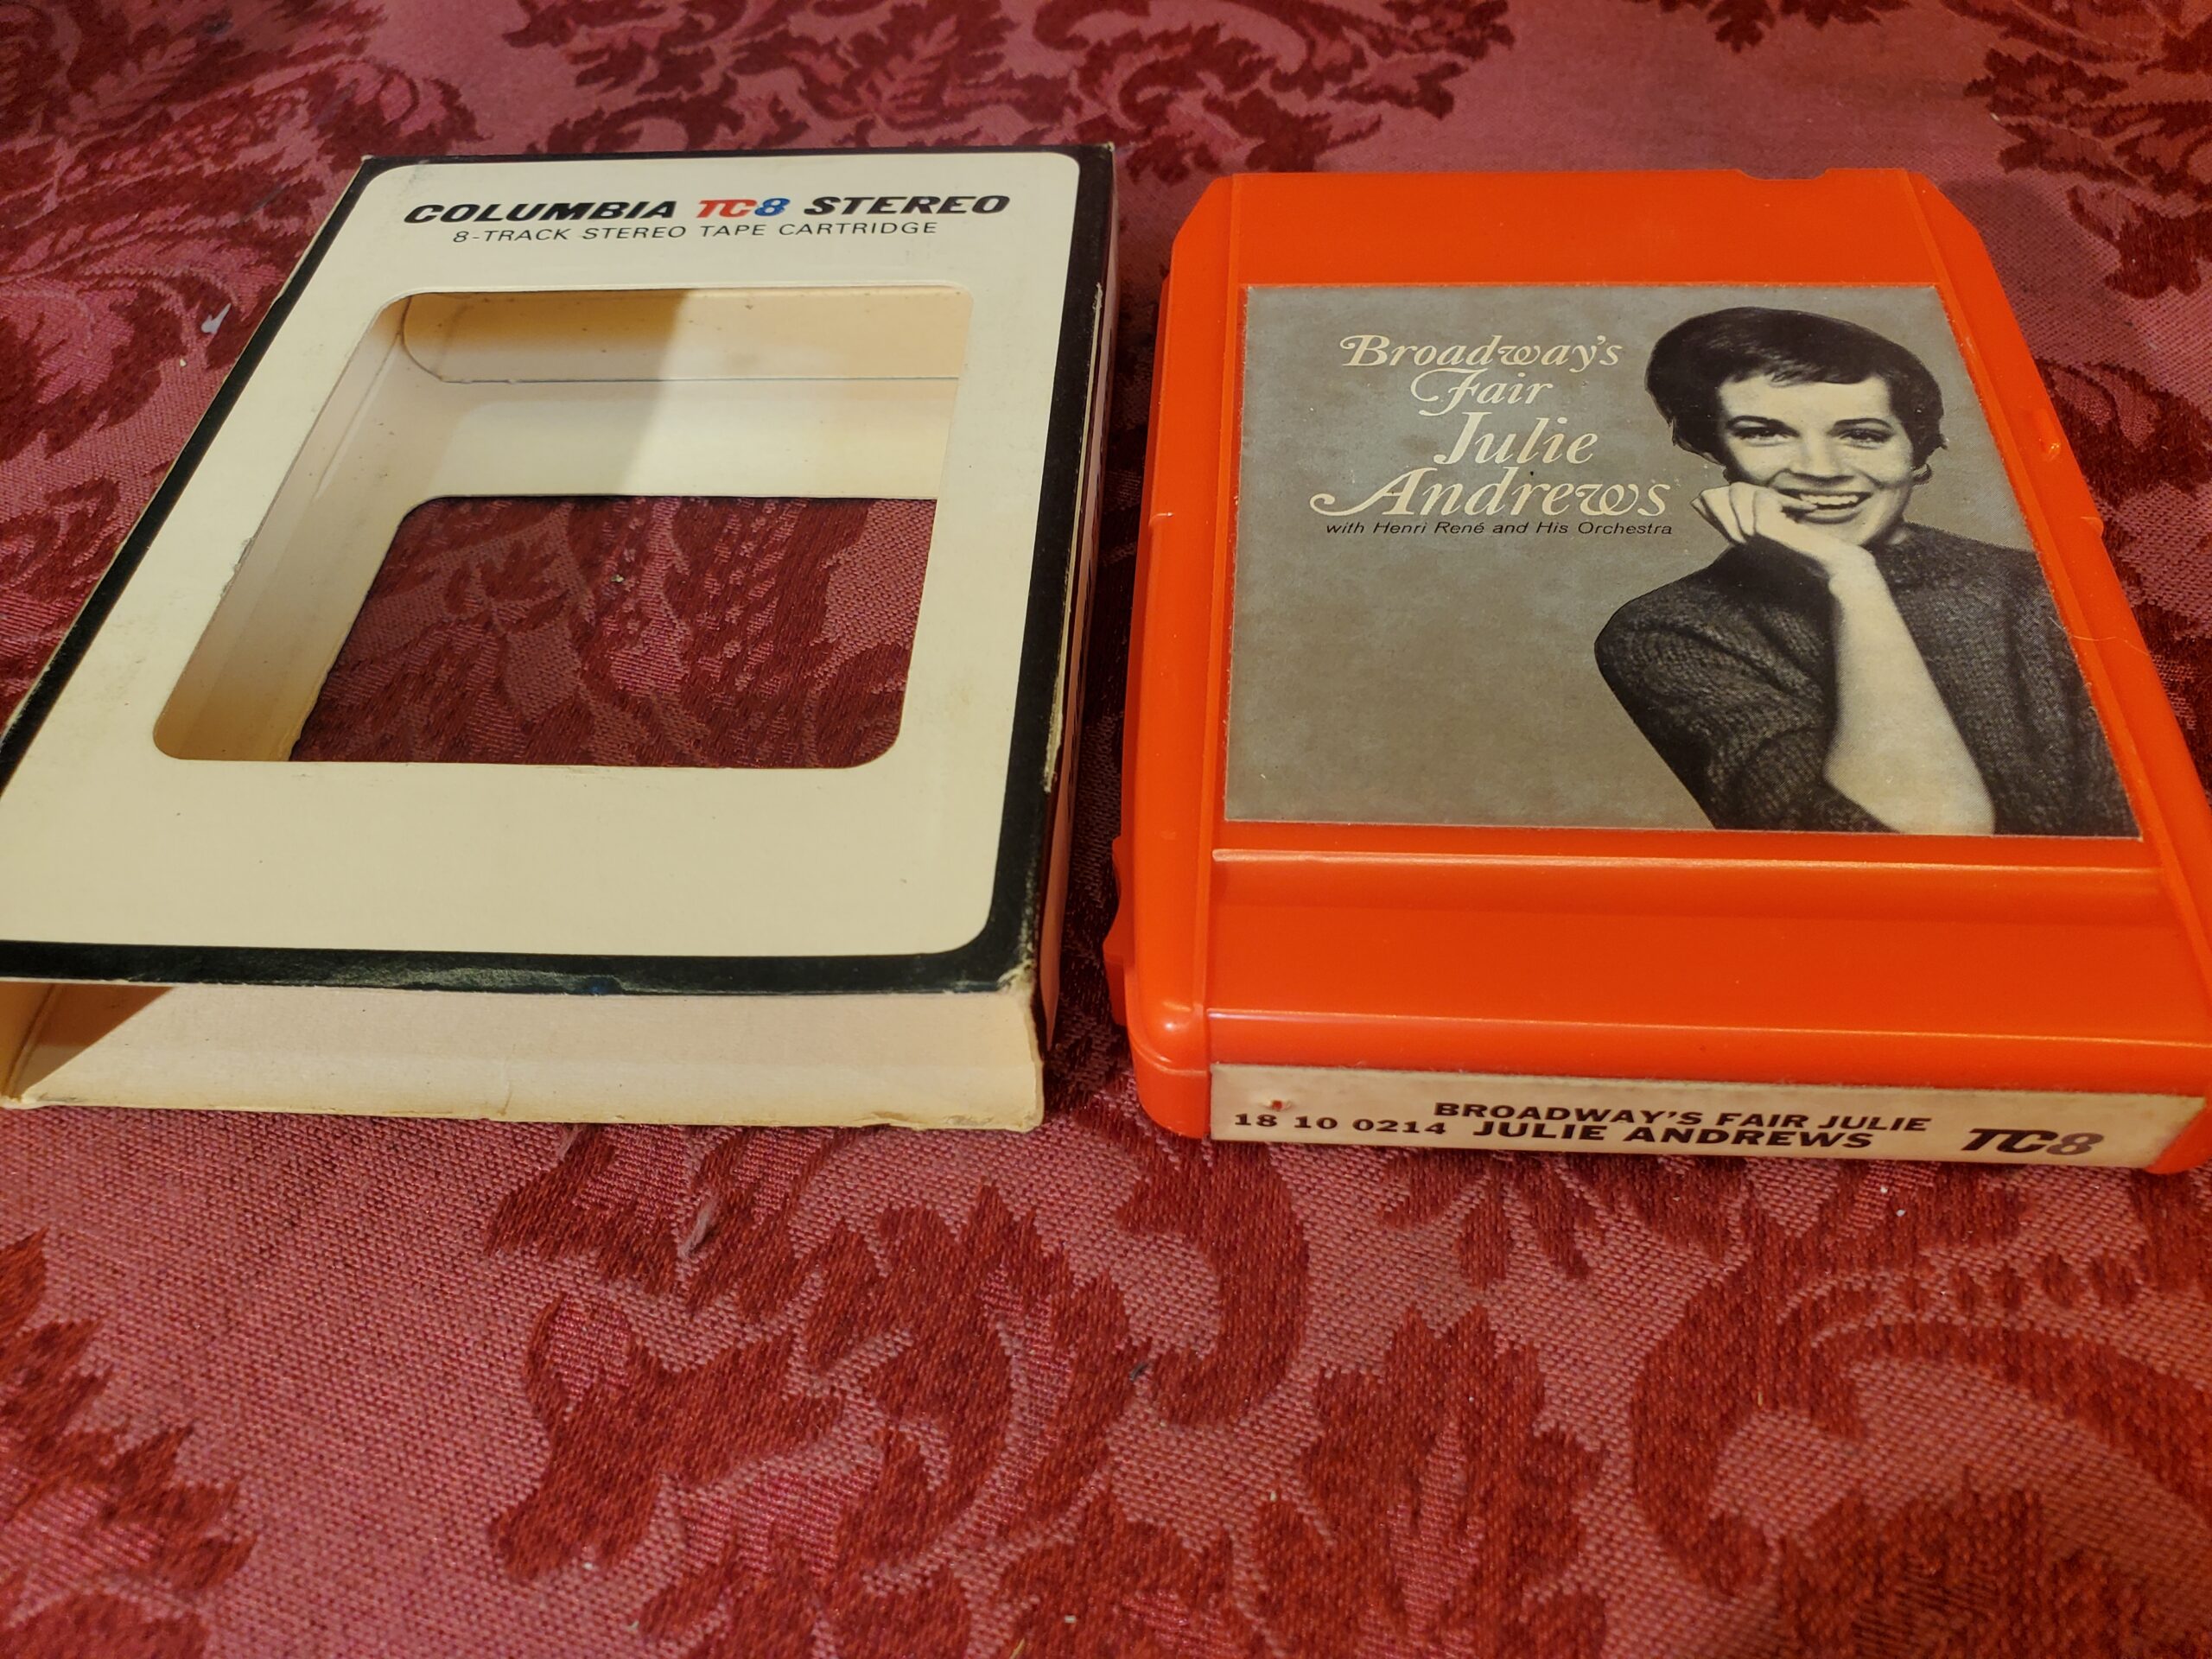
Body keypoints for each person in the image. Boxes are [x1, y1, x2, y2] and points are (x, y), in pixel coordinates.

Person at [1594, 306, 2133, 837]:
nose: (1820, 470)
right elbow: (1930, 838)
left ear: (1914, 450)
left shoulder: (2042, 587)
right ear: (1717, 448)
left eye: (1862, 435)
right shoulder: (1667, 631)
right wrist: (1853, 580)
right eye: (1764, 433)